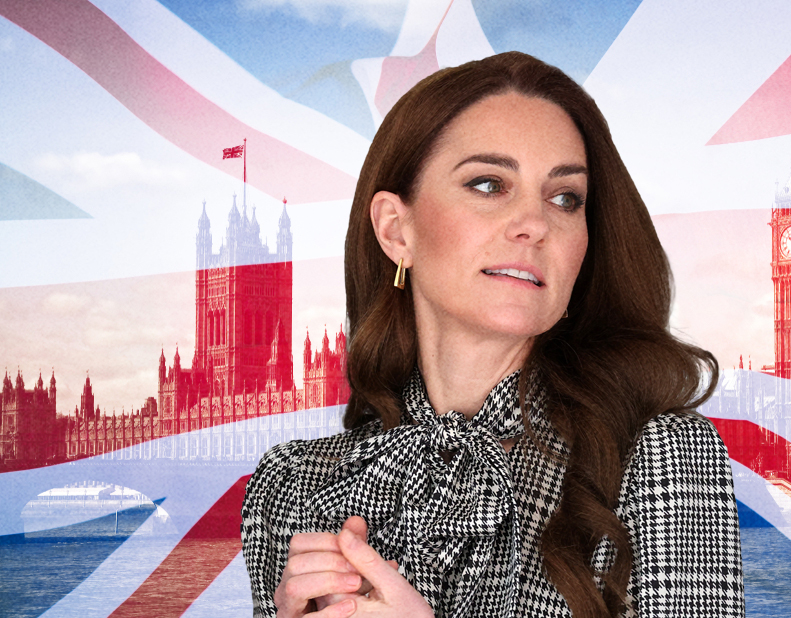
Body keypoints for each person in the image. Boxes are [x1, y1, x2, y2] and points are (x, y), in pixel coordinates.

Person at [241, 51, 744, 618]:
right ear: (396, 230)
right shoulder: (292, 485)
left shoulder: (661, 456)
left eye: (565, 198)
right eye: (488, 184)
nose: (535, 223)